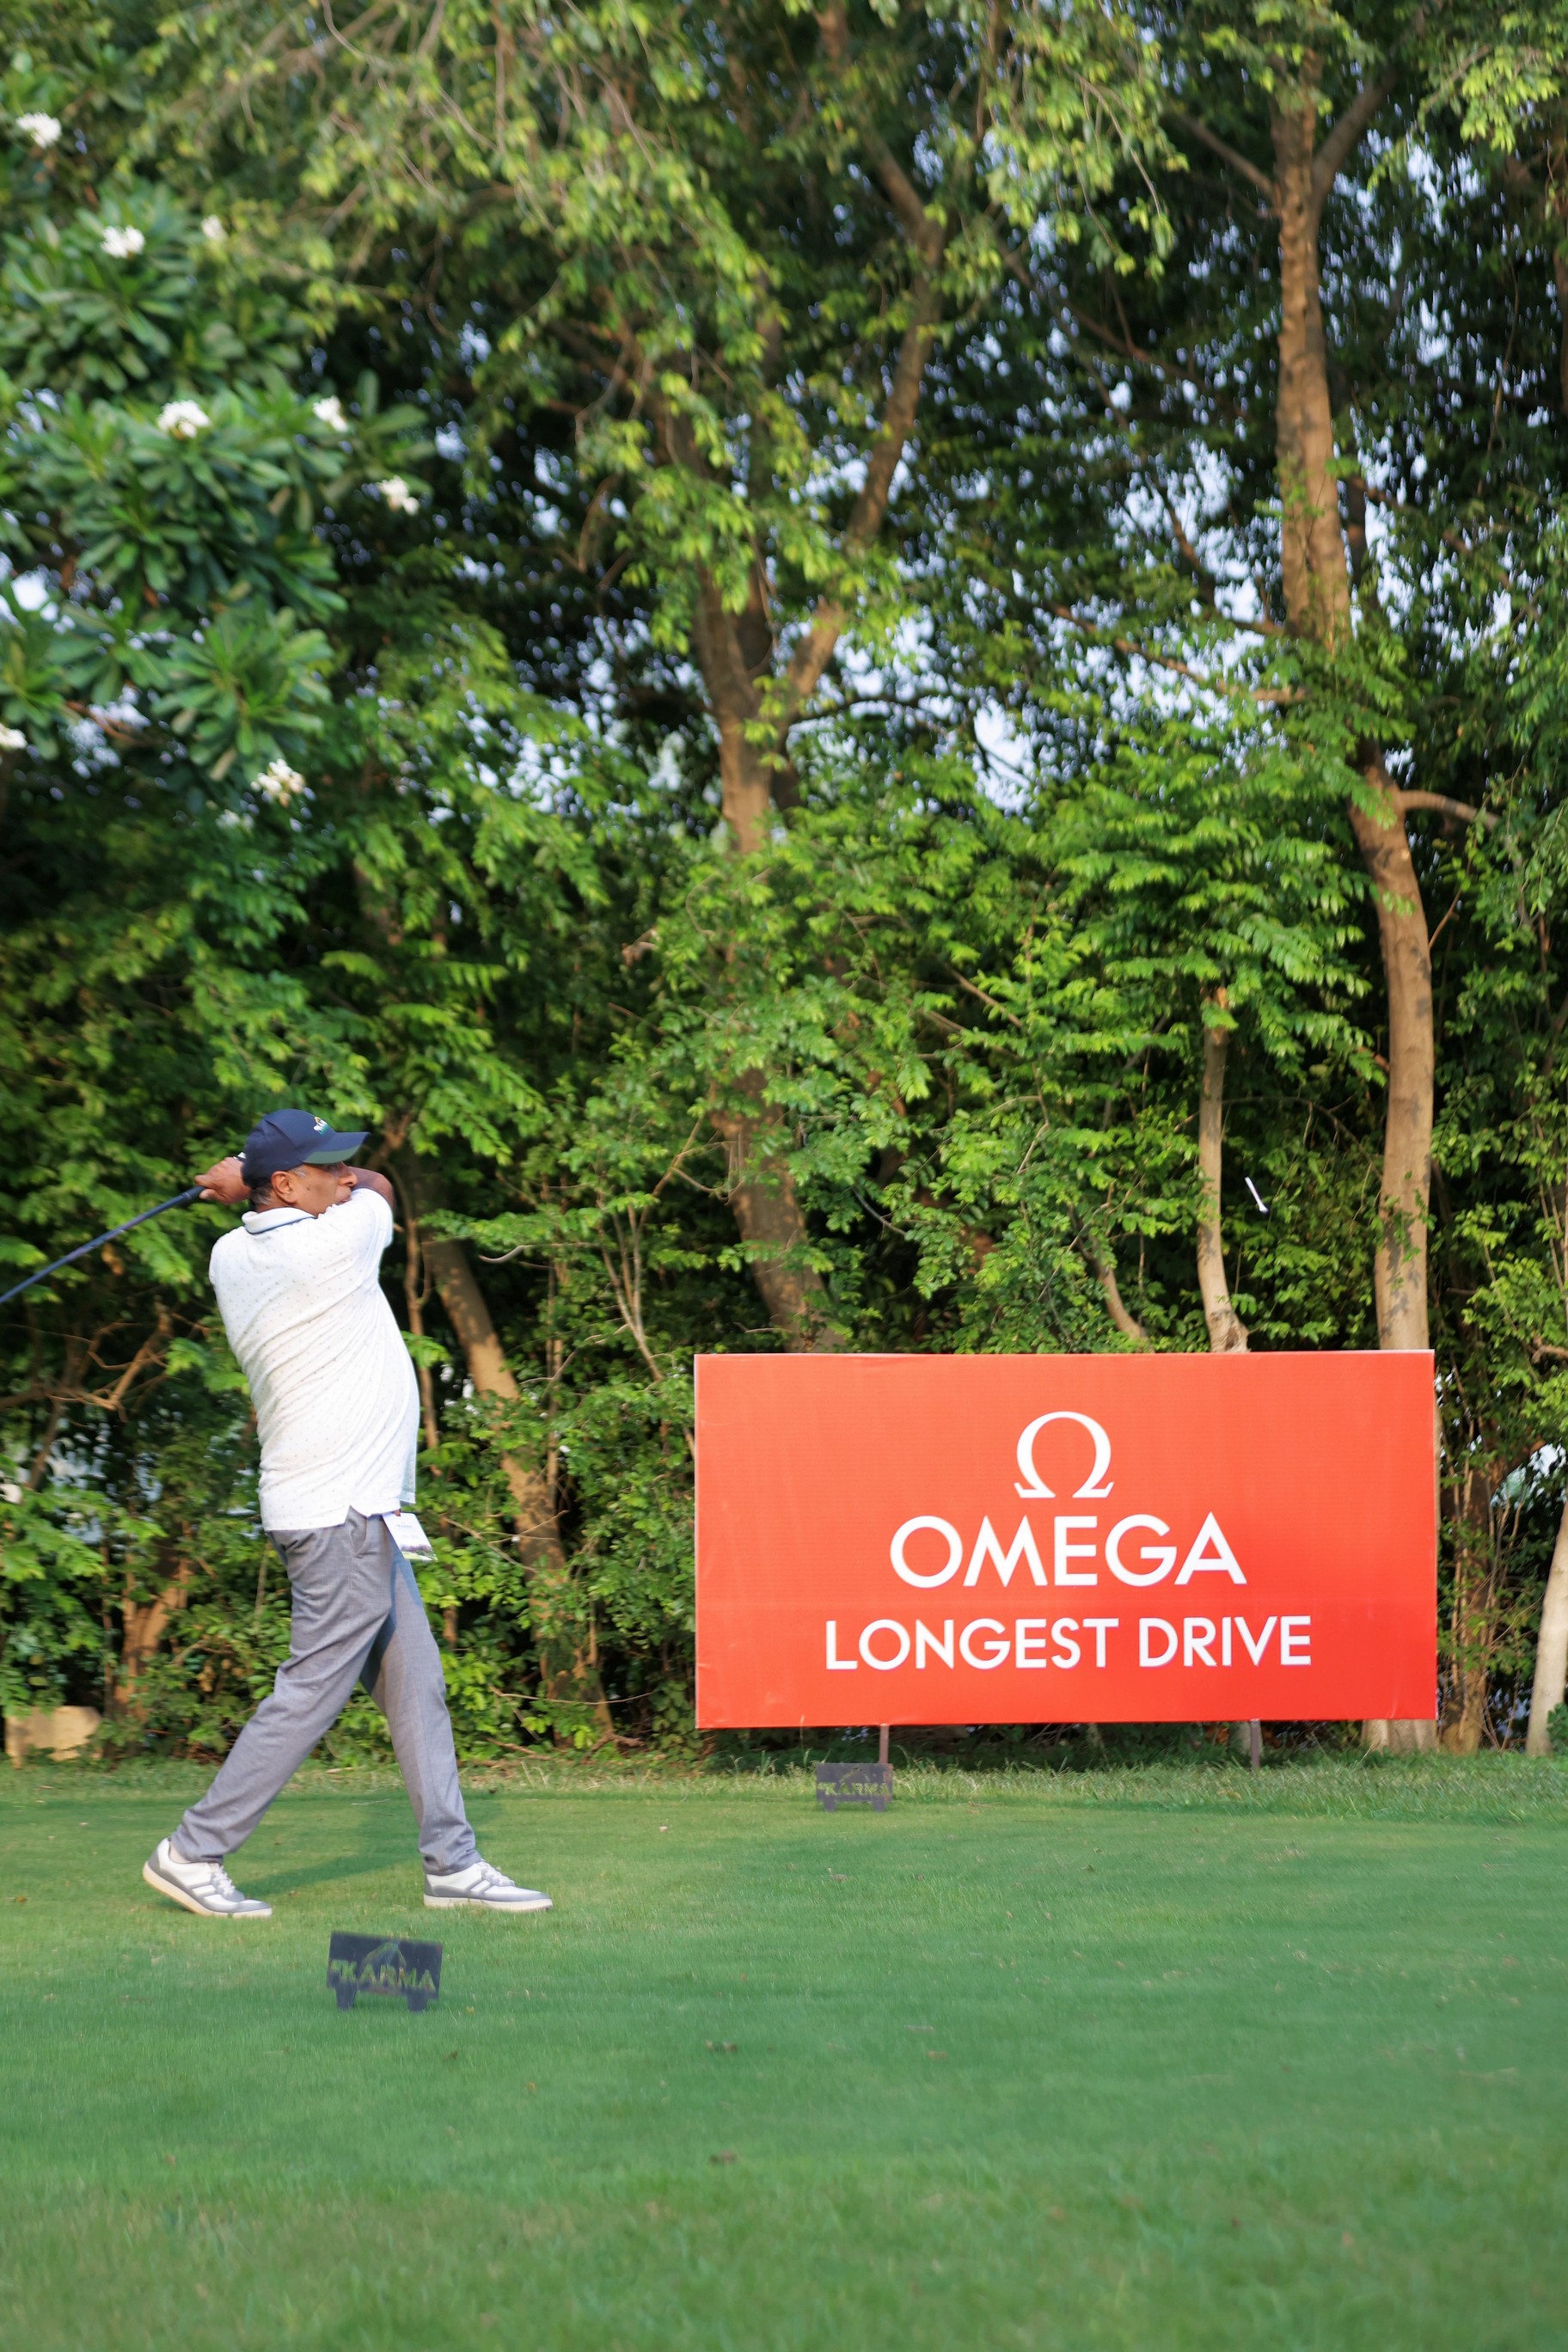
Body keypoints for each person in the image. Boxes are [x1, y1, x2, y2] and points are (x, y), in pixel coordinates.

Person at [143, 1107, 551, 1920]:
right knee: (311, 1691)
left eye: (341, 1165)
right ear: (286, 1184)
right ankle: (193, 1851)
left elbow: (320, 1193)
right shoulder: (333, 1244)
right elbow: (384, 1186)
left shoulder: (229, 1253)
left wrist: (244, 1186)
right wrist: (250, 1181)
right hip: (338, 1518)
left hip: (353, 1513)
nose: (342, 1177)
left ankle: (453, 1864)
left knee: (417, 1687)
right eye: (325, 1168)